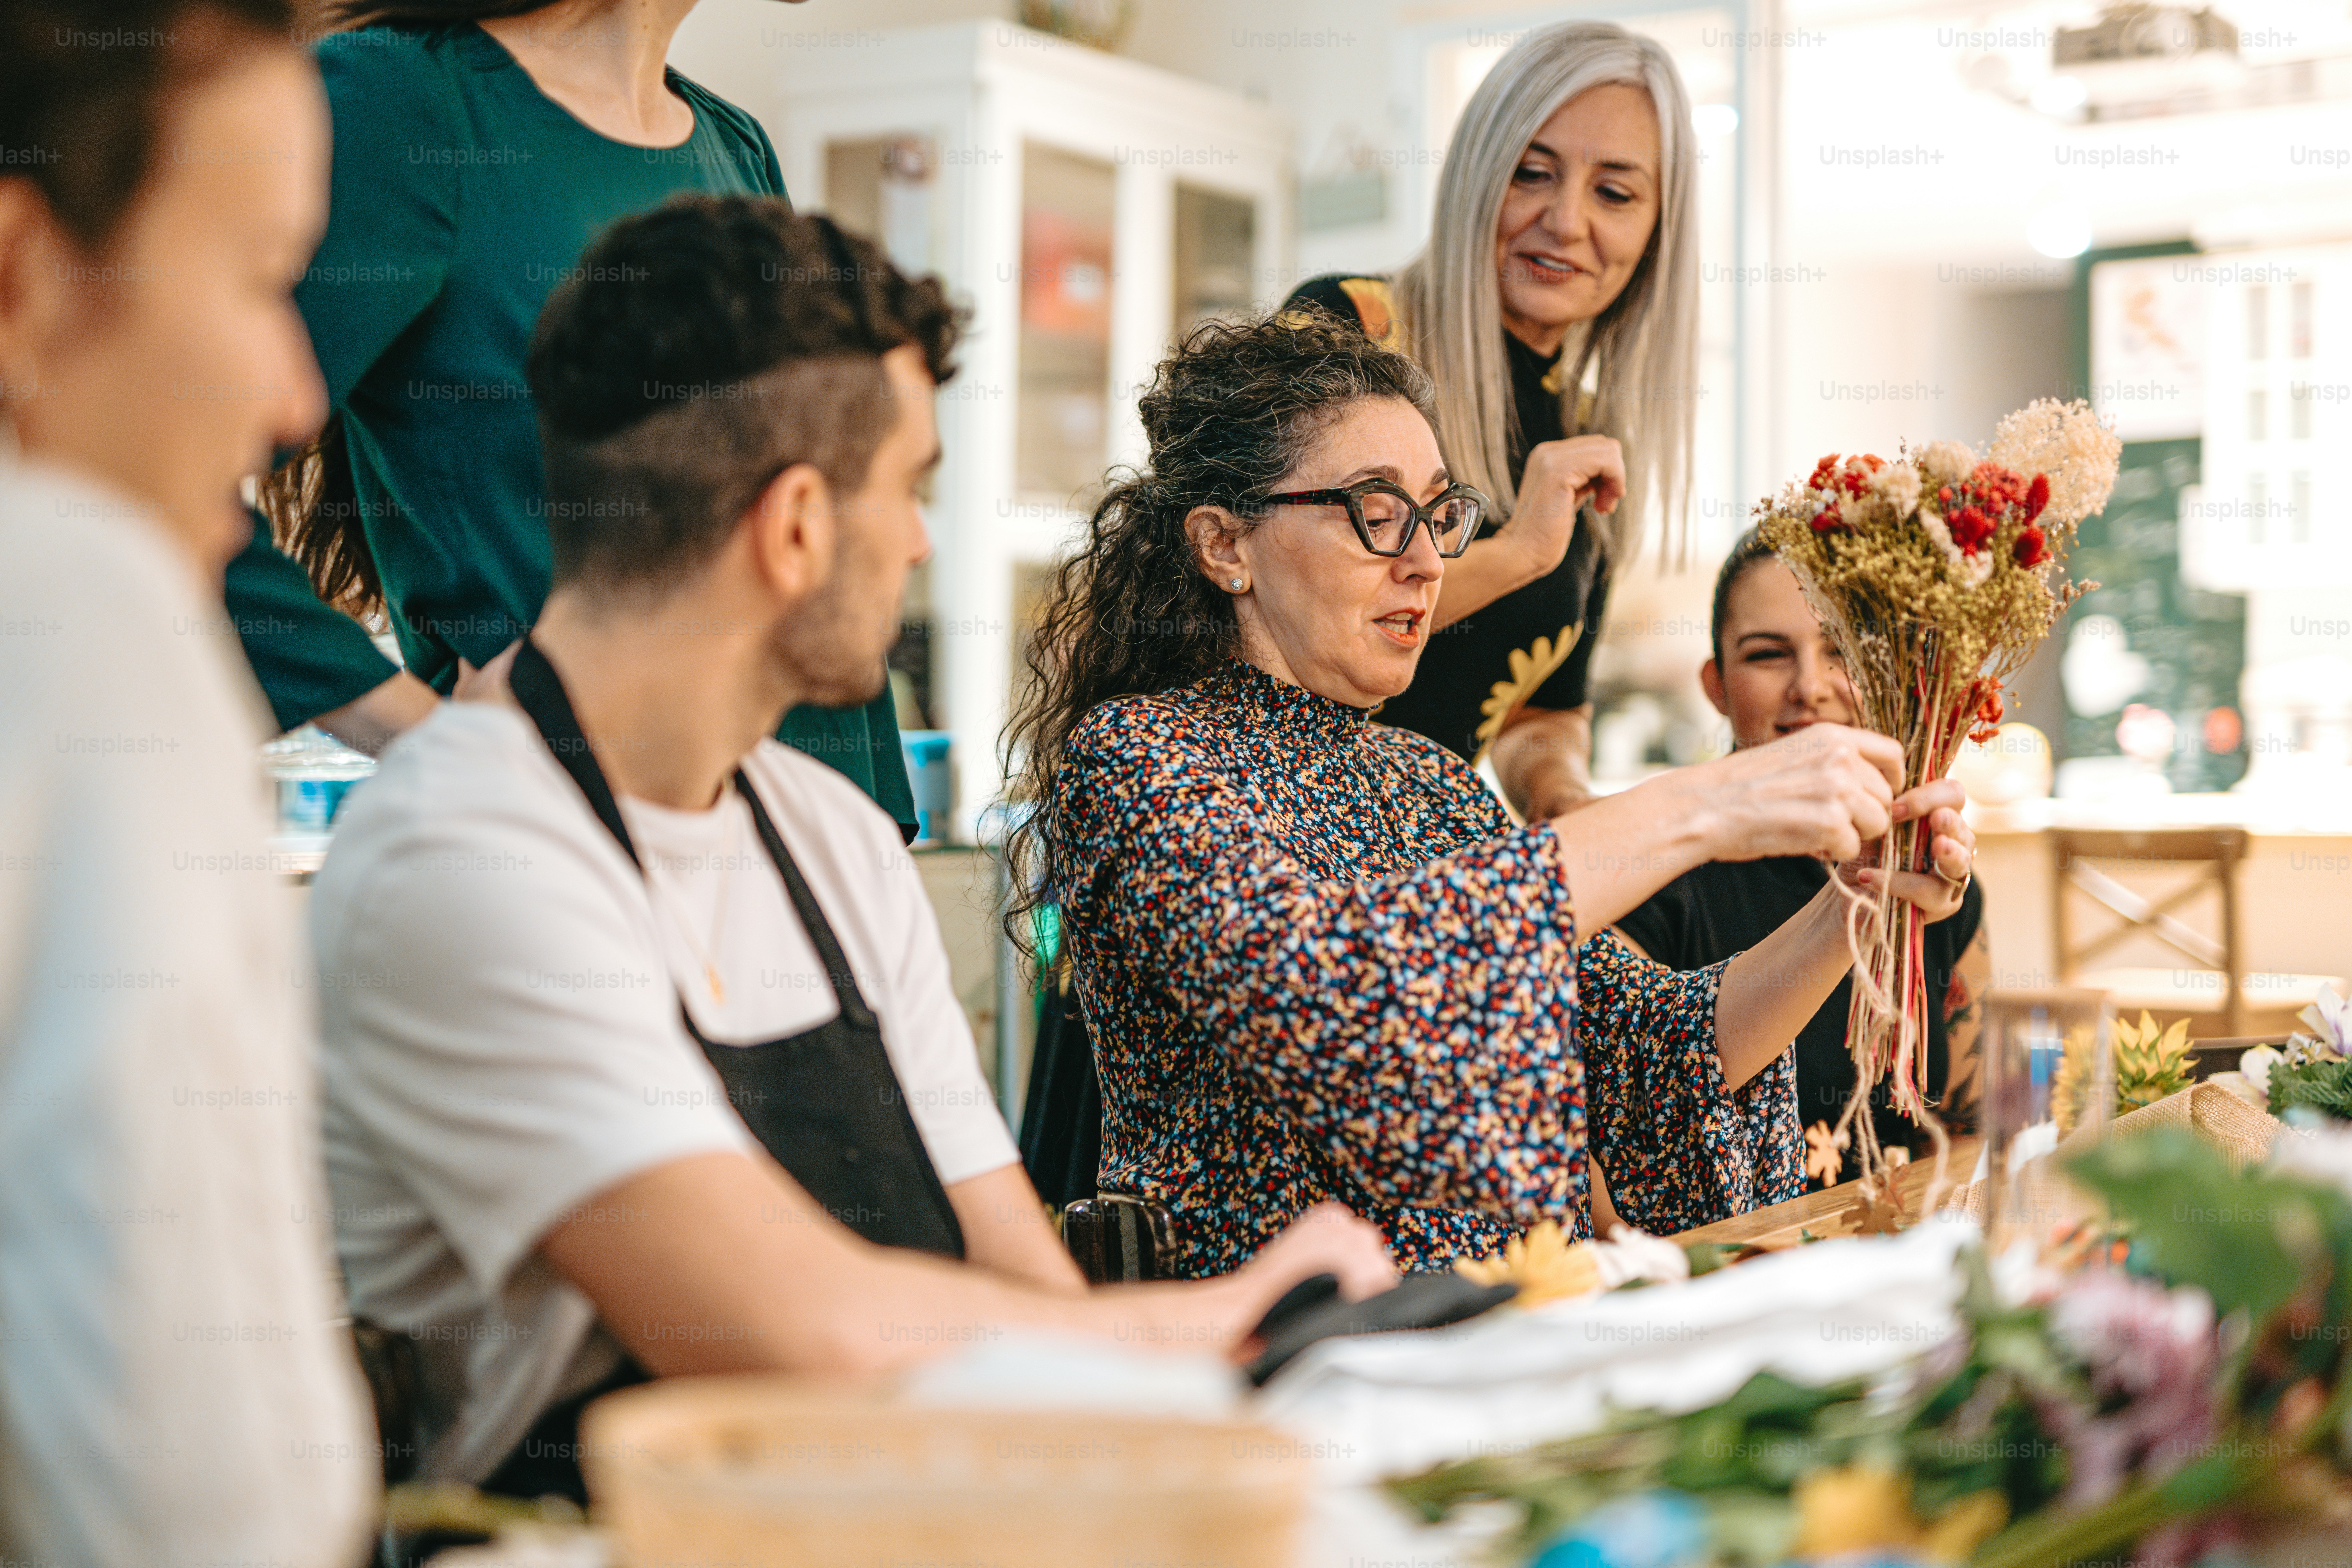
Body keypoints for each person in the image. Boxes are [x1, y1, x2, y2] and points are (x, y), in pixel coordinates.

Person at [307, 198, 1395, 1501]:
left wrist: (1163, 1413)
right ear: (798, 527)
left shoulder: (826, 836)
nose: (923, 542)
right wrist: (1220, 1315)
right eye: (911, 489)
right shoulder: (462, 855)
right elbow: (794, 1335)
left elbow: (1012, 1272)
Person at [1000, 309, 1979, 1278]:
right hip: (1289, 1374)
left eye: (1437, 514)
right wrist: (1703, 806)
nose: (1427, 559)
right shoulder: (1140, 759)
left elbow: (1652, 1064)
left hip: (1497, 1349)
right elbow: (1335, 988)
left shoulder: (1428, 780)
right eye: (1376, 513)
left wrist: (1853, 901)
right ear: (1225, 545)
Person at [0, 3, 375, 1563]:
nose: (297, 395)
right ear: (24, 282)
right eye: (264, 280)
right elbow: (172, 1423)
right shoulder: (81, 595)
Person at [226, 0, 917, 835]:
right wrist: (422, 731)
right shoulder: (405, 102)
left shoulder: (734, 147)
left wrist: (871, 835)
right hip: (570, 838)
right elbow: (157, 480)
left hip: (804, 845)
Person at [1285, 20, 1698, 819]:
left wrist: (1563, 796)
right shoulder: (1348, 327)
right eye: (1532, 172)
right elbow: (1294, 612)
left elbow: (1543, 715)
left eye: (1614, 192)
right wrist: (1518, 554)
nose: (1567, 221)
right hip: (1272, 845)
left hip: (1426, 869)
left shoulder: (1591, 434)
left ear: (1657, 232)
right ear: (1479, 171)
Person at [1614, 531, 1990, 1184]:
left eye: (1842, 651)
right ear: (1716, 686)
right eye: (1768, 655)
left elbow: (1968, 1137)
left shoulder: (1933, 883)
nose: (1810, 686)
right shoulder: (1646, 877)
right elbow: (1616, 1134)